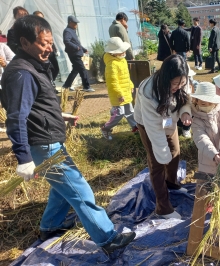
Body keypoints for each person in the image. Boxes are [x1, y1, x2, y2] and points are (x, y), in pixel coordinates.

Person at [0, 15, 136, 254]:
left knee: (62, 188)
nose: (50, 48)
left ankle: (50, 227)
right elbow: (16, 117)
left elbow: (36, 106)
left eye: (51, 42)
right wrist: (23, 159)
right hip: (43, 145)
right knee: (80, 190)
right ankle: (107, 238)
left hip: (49, 141)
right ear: (24, 42)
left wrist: (61, 115)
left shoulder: (32, 67)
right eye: (44, 43)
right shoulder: (22, 74)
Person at [134, 54, 192, 219]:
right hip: (148, 123)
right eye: (175, 84)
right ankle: (163, 208)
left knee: (174, 151)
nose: (178, 87)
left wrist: (185, 112)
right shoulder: (148, 92)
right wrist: (161, 153)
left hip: (168, 120)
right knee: (157, 162)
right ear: (166, 78)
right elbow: (154, 130)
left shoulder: (183, 80)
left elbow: (185, 99)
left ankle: (171, 183)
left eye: (181, 83)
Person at [191, 82, 220, 177]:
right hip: (207, 159)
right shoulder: (196, 120)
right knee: (206, 186)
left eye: (210, 103)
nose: (206, 105)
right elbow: (201, 138)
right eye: (203, 103)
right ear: (196, 101)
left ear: (215, 102)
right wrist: (214, 154)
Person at [100, 37, 137, 140]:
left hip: (125, 91)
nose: (123, 52)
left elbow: (126, 76)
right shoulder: (111, 64)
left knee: (130, 111)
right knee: (119, 113)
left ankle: (135, 127)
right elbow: (112, 82)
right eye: (121, 51)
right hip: (118, 94)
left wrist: (130, 85)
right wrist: (119, 94)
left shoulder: (122, 60)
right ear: (113, 52)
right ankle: (106, 128)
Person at [62, 15, 94, 92]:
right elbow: (67, 41)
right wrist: (76, 48)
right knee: (83, 70)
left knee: (75, 70)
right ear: (70, 23)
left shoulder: (72, 31)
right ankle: (86, 87)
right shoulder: (67, 31)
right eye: (75, 23)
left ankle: (66, 86)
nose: (76, 25)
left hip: (77, 53)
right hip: (74, 54)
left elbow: (77, 43)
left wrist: (83, 49)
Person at [33, 10, 60, 82]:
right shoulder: (33, 29)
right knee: (45, 70)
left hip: (51, 53)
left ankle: (51, 83)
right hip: (41, 53)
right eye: (39, 17)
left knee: (55, 68)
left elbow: (50, 40)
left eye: (42, 18)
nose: (41, 20)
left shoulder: (46, 28)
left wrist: (54, 49)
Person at [177, 62, 196, 138]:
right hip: (171, 112)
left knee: (192, 112)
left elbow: (188, 102)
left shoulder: (189, 85)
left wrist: (185, 113)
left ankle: (186, 129)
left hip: (182, 108)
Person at [0, 42, 15, 132]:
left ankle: (12, 125)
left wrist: (5, 64)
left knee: (7, 103)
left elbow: (15, 61)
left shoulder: (2, 47)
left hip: (3, 81)